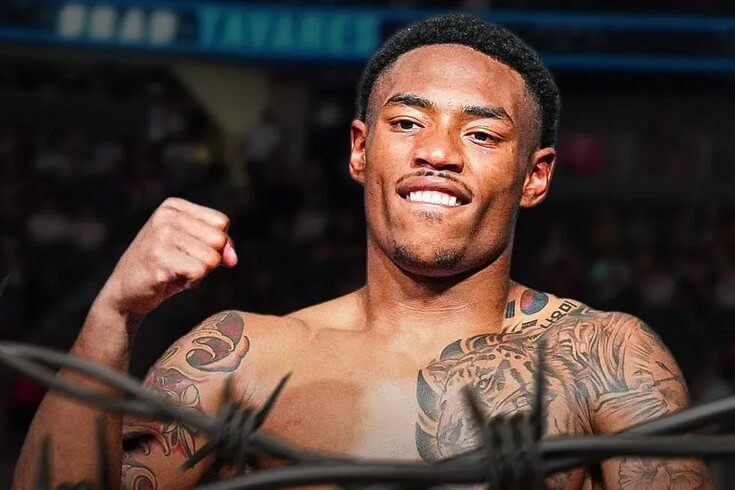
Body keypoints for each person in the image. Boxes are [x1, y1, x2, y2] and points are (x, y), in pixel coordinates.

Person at [13, 13, 711, 489]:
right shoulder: (242, 358)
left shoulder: (603, 357)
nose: (436, 152)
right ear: (359, 149)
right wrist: (113, 315)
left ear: (535, 177)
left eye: (480, 134)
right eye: (406, 122)